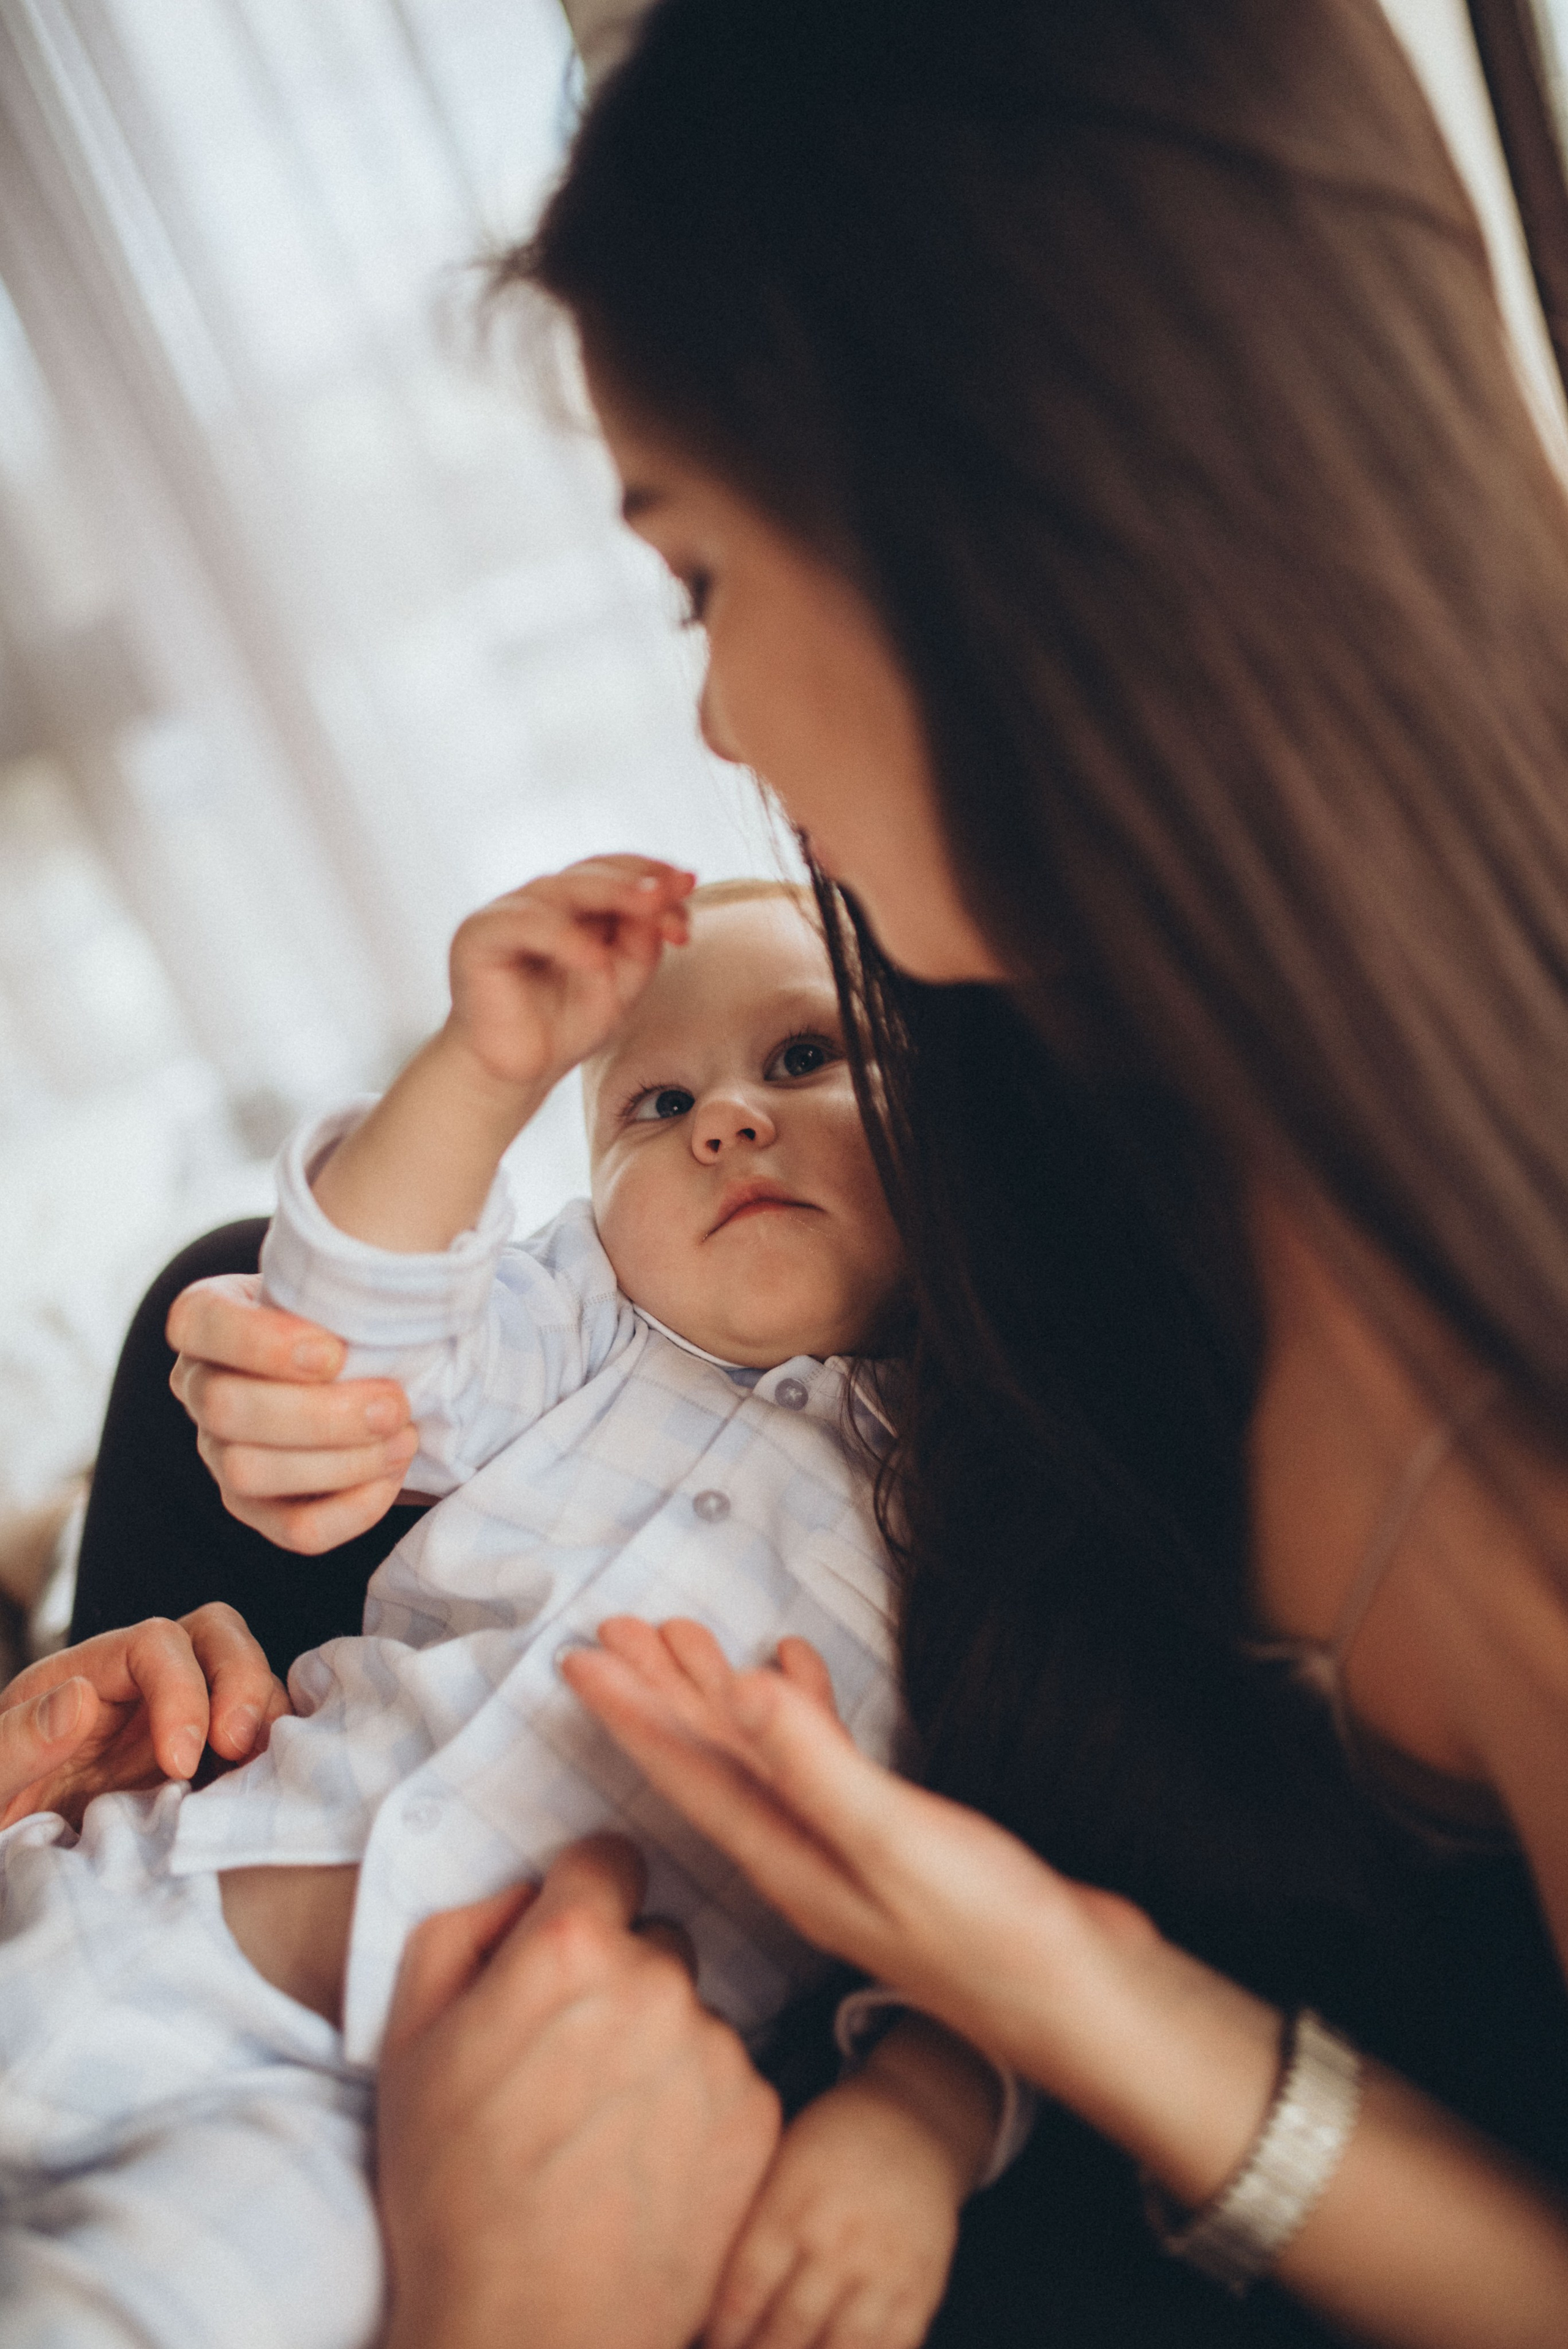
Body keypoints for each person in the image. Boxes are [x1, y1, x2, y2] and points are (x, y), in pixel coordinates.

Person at [75, 0, 1568, 2340]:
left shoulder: (1502, 1412)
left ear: (1016, 543)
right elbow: (388, 1323)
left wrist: (1037, 1996)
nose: (715, 723)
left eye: (698, 578)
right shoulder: (990, 1126)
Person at [0, 861, 1014, 2349]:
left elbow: (1025, 1902)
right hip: (129, 1884)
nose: (726, 1120)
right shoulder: (586, 1329)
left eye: (805, 1057)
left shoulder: (990, 1531)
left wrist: (913, 2128)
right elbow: (348, 1341)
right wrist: (484, 1076)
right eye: (651, 1108)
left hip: (359, 2139)